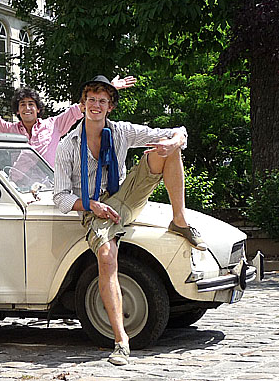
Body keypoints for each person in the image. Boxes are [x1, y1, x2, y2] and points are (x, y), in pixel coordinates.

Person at [53, 75, 207, 366]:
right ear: (83, 104)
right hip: (93, 208)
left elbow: (177, 131)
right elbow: (60, 197)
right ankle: (121, 340)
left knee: (168, 147)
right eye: (92, 100)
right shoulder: (68, 145)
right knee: (107, 257)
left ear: (110, 107)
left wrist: (175, 140)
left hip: (124, 196)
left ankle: (180, 219)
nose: (96, 105)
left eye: (102, 101)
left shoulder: (121, 132)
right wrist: (93, 206)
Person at [0, 73, 136, 166]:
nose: (27, 108)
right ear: (17, 111)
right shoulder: (10, 130)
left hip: (50, 187)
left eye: (31, 104)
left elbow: (86, 105)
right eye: (22, 105)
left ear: (38, 109)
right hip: (21, 190)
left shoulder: (54, 125)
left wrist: (111, 87)